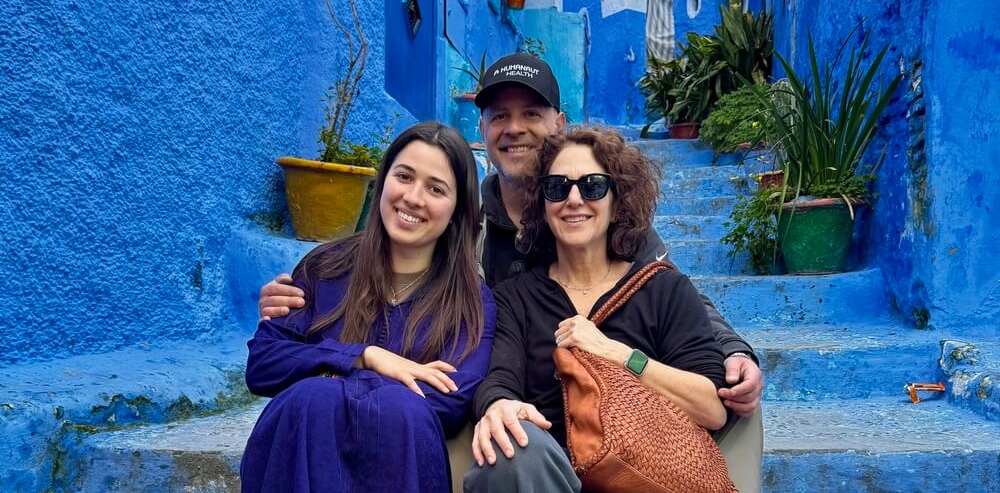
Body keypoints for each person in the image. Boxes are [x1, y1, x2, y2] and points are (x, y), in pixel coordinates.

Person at [258, 56, 763, 477]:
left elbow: (678, 297)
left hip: (637, 438)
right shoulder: (470, 243)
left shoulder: (632, 248)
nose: (514, 128)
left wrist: (733, 349)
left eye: (591, 186)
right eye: (499, 115)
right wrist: (353, 357)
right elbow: (489, 372)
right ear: (482, 129)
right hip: (527, 436)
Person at [465, 127, 728, 492]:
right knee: (513, 449)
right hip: (548, 478)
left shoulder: (663, 289)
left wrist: (618, 354)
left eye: (592, 185)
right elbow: (500, 379)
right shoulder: (516, 297)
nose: (573, 199)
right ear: (542, 203)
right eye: (557, 187)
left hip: (639, 475)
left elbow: (711, 408)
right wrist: (499, 405)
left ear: (617, 200)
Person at [241, 122, 496, 493]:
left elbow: (450, 399)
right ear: (383, 180)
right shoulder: (324, 268)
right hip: (309, 463)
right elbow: (263, 364)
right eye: (404, 176)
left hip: (399, 469)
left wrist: (325, 372)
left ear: (457, 210)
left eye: (436, 188)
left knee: (381, 408)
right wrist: (364, 356)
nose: (413, 197)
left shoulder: (470, 300)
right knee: (312, 401)